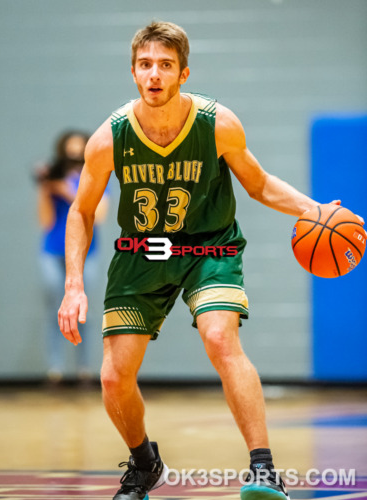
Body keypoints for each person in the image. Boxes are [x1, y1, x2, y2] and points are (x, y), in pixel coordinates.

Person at [58, 22, 338, 500]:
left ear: (183, 72)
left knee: (219, 338)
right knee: (112, 375)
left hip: (210, 249)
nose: (155, 74)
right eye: (145, 65)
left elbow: (259, 184)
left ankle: (263, 469)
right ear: (133, 72)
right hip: (141, 254)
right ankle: (145, 464)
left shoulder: (218, 123)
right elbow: (81, 211)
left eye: (165, 65)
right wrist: (73, 284)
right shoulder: (109, 139)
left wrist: (315, 210)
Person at [36, 131, 109, 383]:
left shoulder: (97, 177)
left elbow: (98, 216)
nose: (75, 158)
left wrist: (68, 191)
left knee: (82, 310)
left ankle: (84, 368)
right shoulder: (53, 182)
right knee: (55, 308)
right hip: (52, 250)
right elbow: (45, 221)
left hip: (87, 252)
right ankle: (54, 369)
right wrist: (47, 189)